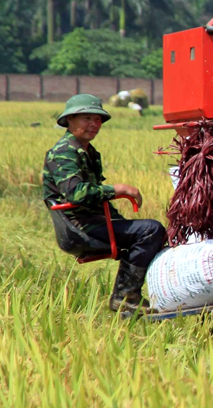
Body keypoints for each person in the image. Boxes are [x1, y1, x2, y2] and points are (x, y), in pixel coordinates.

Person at [42, 94, 167, 315]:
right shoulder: (64, 152)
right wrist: (119, 190)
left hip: (94, 220)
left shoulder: (87, 151)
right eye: (87, 118)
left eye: (98, 119)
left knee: (148, 233)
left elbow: (98, 203)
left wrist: (121, 221)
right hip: (80, 226)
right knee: (150, 230)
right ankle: (126, 297)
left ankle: (129, 297)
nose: (94, 124)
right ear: (69, 120)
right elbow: (76, 194)